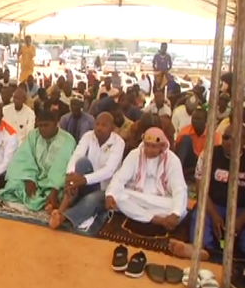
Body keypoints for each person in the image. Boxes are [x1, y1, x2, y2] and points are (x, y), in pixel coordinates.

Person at [170, 124, 245, 261]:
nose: (228, 141)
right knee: (200, 222)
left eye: (232, 139)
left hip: (241, 209)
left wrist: (240, 221)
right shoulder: (208, 155)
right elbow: (201, 189)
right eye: (225, 137)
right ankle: (203, 251)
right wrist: (215, 215)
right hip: (213, 205)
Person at [49, 113, 124, 229]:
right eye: (97, 124)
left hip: (106, 188)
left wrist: (84, 180)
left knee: (90, 200)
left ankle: (63, 217)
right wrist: (71, 175)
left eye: (104, 125)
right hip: (84, 183)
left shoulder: (118, 143)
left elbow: (109, 170)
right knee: (81, 162)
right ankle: (62, 208)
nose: (99, 128)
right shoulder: (88, 136)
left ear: (112, 128)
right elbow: (76, 155)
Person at [105, 127, 188, 229]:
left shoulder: (173, 161)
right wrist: (110, 194)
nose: (148, 150)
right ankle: (154, 219)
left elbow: (179, 189)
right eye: (147, 145)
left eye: (153, 146)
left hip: (161, 200)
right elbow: (120, 177)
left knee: (181, 211)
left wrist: (176, 213)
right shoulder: (135, 155)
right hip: (137, 196)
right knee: (118, 196)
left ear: (162, 146)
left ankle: (139, 215)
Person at [0, 110, 76, 211]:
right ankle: (43, 202)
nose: (43, 129)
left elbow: (62, 167)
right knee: (12, 184)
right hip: (34, 177)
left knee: (63, 194)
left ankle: (47, 202)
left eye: (46, 125)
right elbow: (24, 158)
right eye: (40, 126)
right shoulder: (33, 135)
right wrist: (28, 179)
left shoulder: (68, 140)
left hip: (54, 183)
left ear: (56, 123)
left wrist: (54, 189)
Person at [175, 108, 221, 181]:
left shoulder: (214, 135)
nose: (195, 121)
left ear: (206, 121)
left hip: (204, 163)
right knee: (186, 139)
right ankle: (176, 173)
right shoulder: (185, 131)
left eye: (199, 119)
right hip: (191, 161)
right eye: (193, 118)